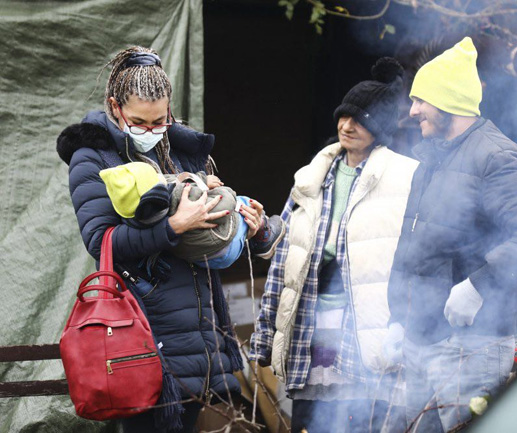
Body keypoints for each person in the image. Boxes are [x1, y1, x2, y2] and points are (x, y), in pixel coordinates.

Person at [56, 46, 272, 433]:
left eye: (161, 120)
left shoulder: (183, 151)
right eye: (140, 121)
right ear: (114, 107)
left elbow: (207, 244)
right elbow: (102, 242)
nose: (152, 131)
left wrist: (243, 228)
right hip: (137, 333)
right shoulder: (92, 156)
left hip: (194, 333)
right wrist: (174, 226)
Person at [382, 37, 517, 432]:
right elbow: (416, 247)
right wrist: (399, 319)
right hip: (421, 343)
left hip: (471, 348)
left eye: (421, 101)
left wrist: (478, 286)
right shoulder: (431, 158)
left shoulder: (495, 157)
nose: (413, 111)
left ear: (449, 103)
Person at [250, 58, 419, 433]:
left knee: (360, 419)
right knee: (310, 421)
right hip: (311, 321)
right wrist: (265, 335)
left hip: (363, 328)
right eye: (343, 116)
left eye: (359, 120)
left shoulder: (404, 177)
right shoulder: (313, 175)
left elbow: (416, 260)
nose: (346, 125)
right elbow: (284, 259)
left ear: (381, 127)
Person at [98, 162, 285, 270]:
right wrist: (227, 192)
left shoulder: (134, 217)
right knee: (243, 202)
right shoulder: (181, 197)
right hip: (225, 250)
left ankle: (251, 237)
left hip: (201, 259)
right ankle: (263, 234)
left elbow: (171, 178)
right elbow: (223, 204)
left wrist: (200, 179)